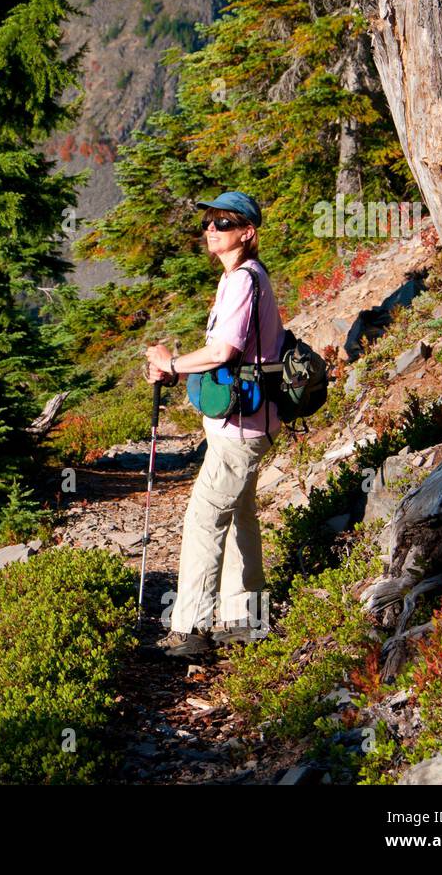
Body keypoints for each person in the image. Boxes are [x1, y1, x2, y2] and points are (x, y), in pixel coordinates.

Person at [144, 191, 285, 658]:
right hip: (242, 422)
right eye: (208, 221)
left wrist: (172, 364)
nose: (211, 229)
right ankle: (247, 617)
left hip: (241, 427)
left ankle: (189, 631)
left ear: (247, 232)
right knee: (240, 515)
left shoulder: (244, 280)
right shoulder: (238, 279)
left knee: (205, 518)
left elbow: (224, 351)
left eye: (223, 222)